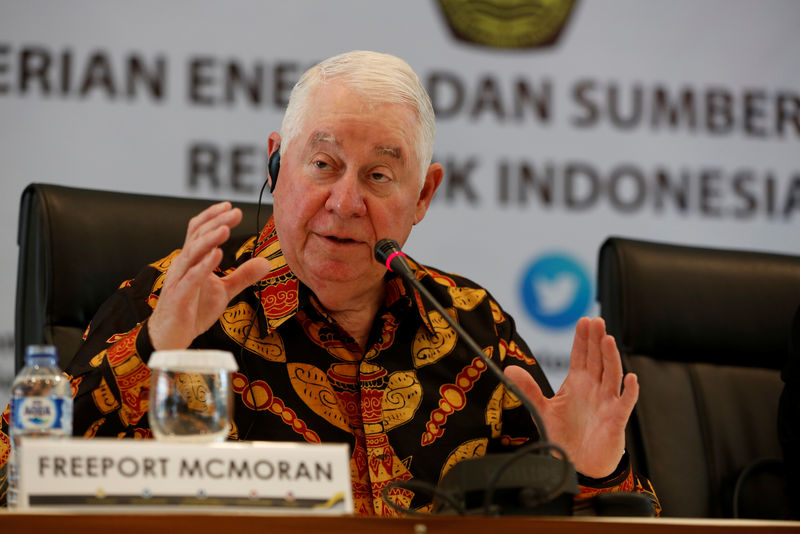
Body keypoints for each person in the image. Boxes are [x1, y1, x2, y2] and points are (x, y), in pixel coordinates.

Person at [0, 50, 659, 515]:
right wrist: (152, 348)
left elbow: (608, 515)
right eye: (323, 164)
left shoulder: (469, 323)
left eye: (378, 175)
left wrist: (592, 470)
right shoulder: (182, 299)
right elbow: (13, 473)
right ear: (276, 164)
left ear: (423, 194)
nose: (345, 203)